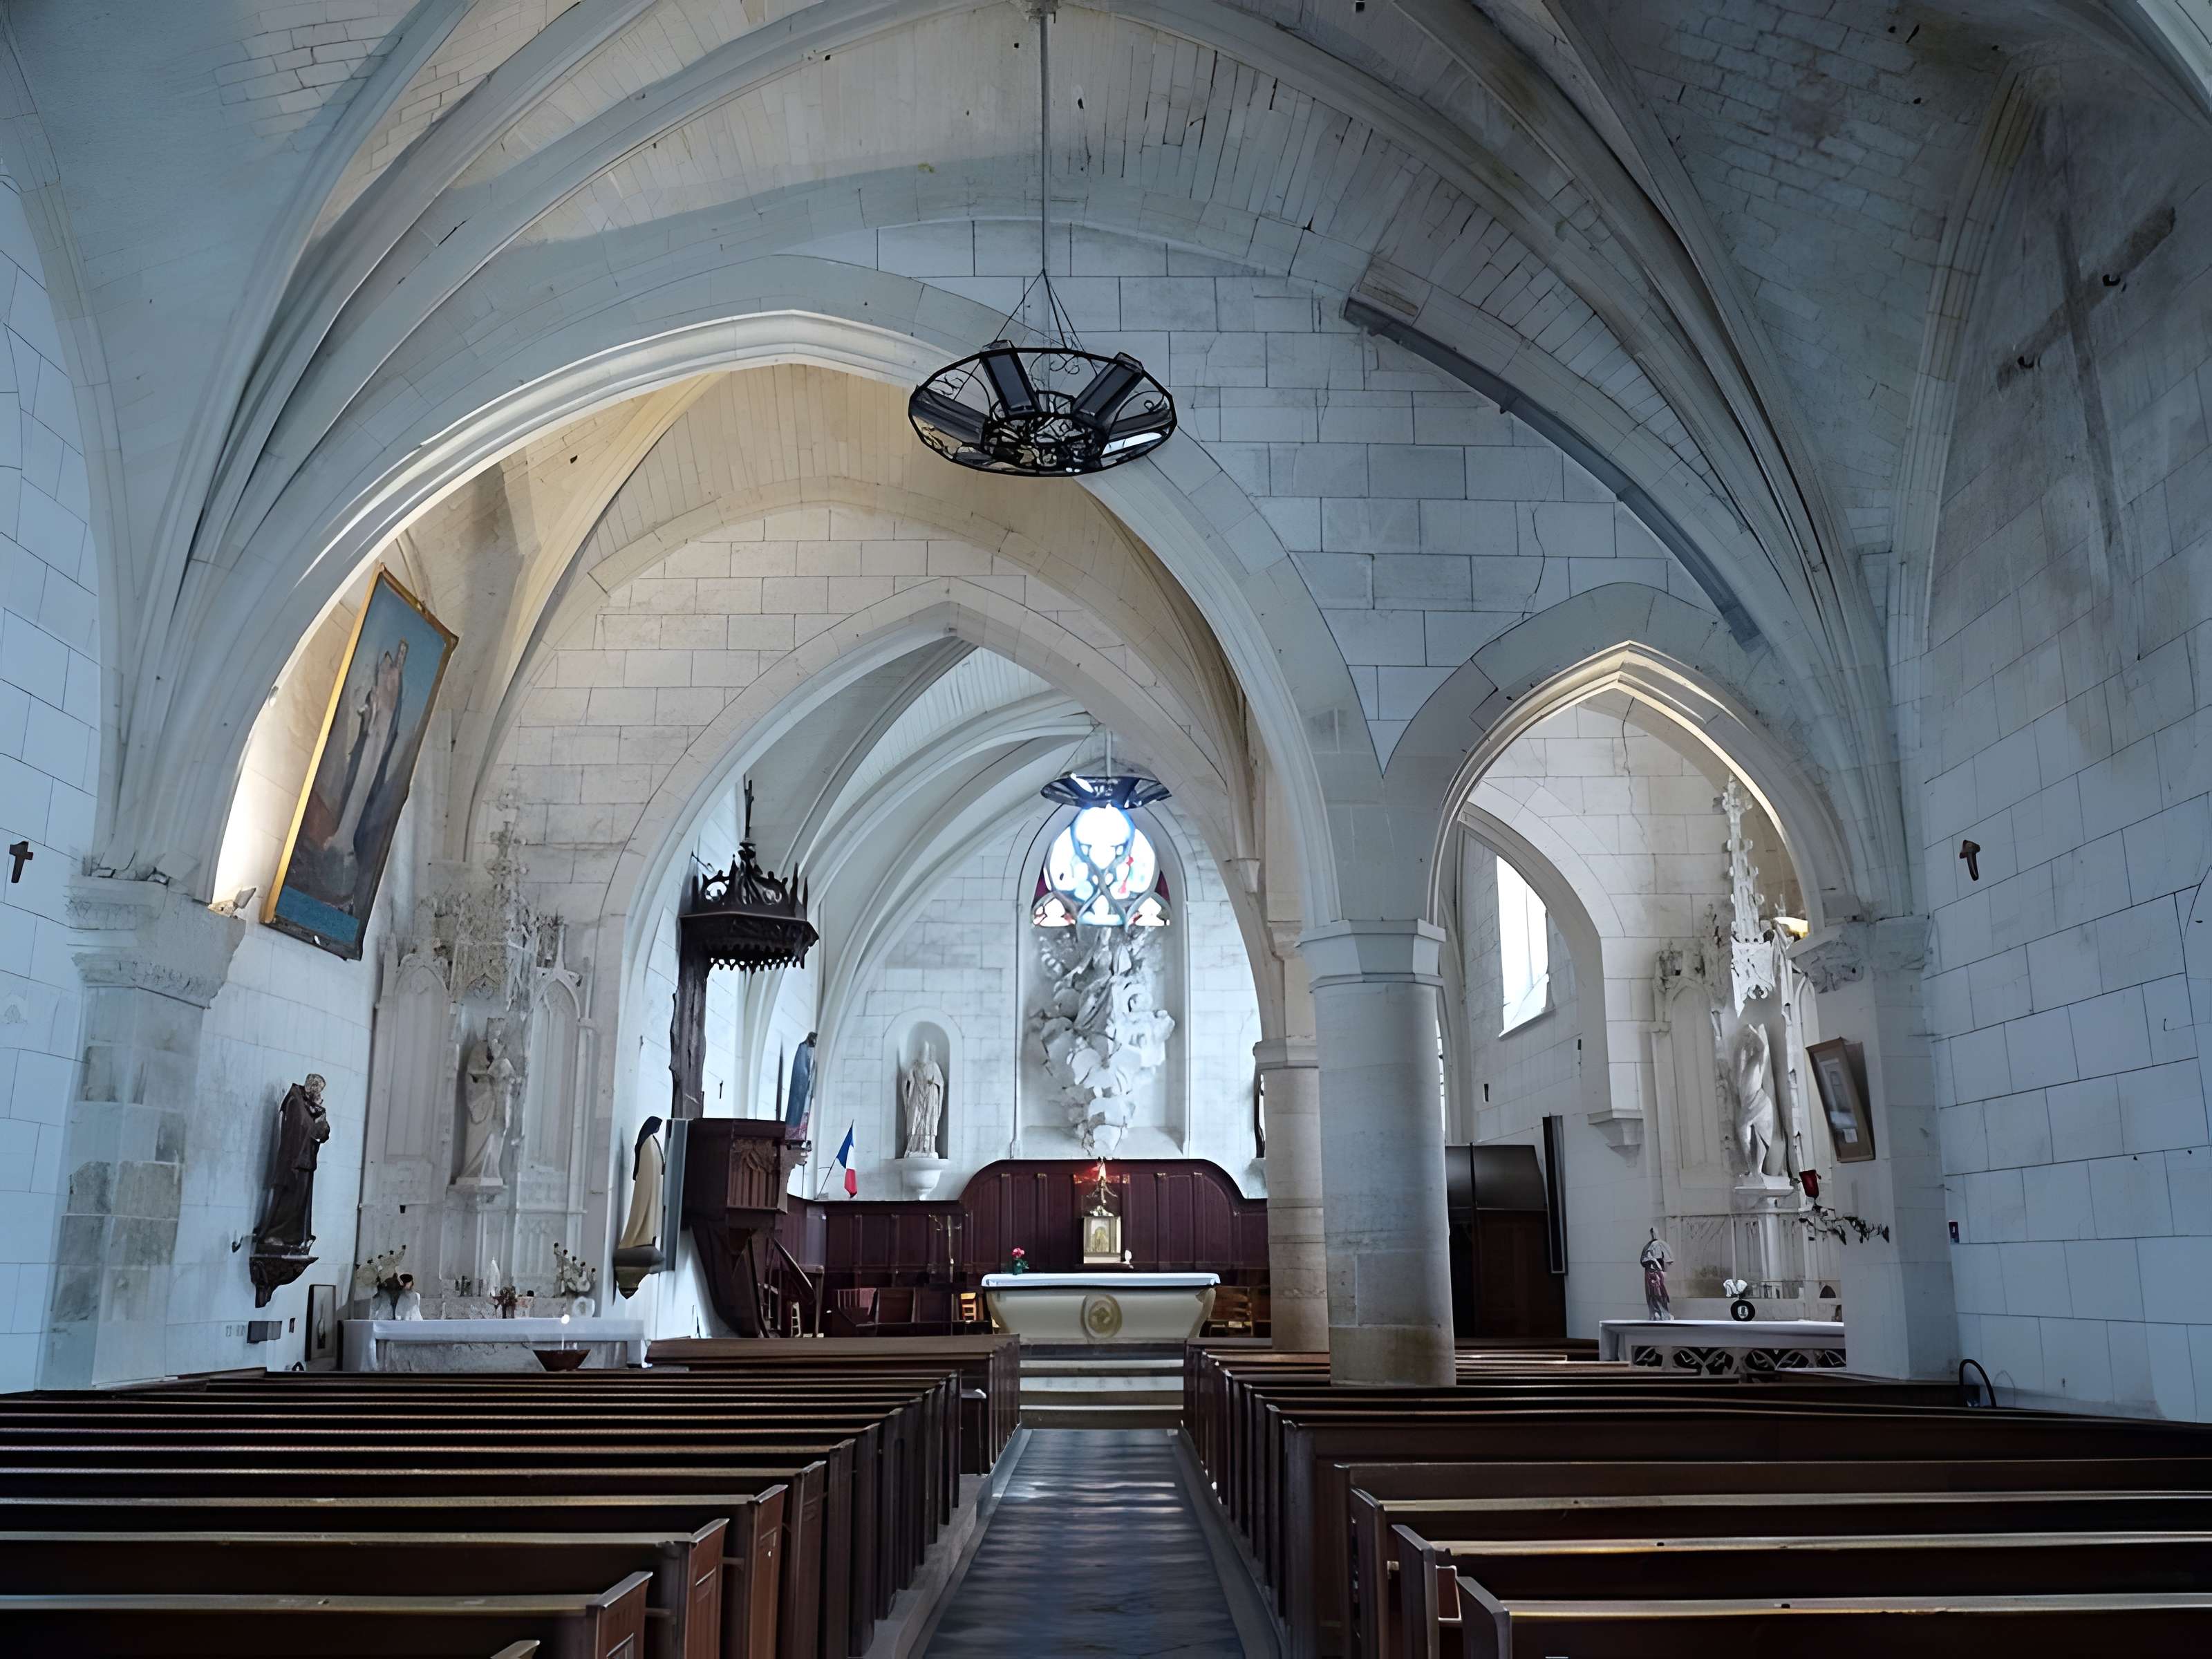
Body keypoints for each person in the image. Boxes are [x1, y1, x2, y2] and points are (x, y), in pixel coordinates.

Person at [256, 1074, 330, 1255]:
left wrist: (320, 1118)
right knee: (289, 1200)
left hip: (305, 1162)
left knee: (299, 1204)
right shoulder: (295, 1100)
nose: (319, 1093)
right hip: (295, 1162)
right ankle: (276, 1234)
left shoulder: (308, 1106)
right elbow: (303, 1128)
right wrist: (318, 1121)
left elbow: (318, 1131)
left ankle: (291, 1237)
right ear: (312, 1086)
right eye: (318, 1089)